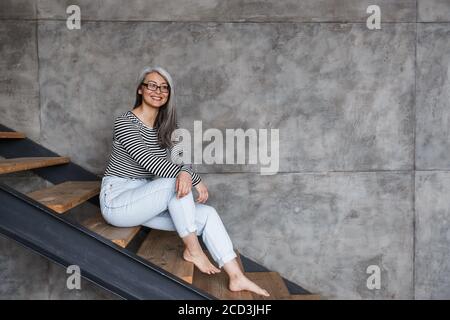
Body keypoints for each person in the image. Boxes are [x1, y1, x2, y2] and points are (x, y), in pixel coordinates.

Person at [100, 66, 269, 297]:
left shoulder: (169, 127)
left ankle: (237, 276)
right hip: (118, 200)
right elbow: (148, 161)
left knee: (207, 213)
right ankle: (193, 250)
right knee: (175, 183)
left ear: (169, 93)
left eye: (164, 87)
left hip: (147, 197)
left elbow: (184, 161)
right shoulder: (125, 122)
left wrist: (188, 173)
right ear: (140, 89)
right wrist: (191, 178)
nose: (157, 91)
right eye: (151, 85)